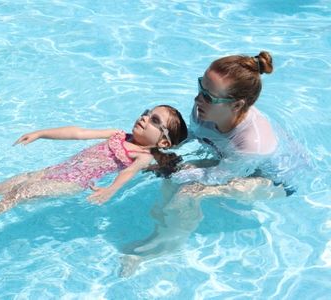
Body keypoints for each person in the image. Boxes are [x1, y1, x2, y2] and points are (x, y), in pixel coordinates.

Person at [120, 51, 298, 276]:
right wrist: (153, 150)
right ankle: (162, 226)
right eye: (200, 88)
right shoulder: (203, 110)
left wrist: (179, 174)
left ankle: (166, 245)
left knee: (189, 192)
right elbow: (192, 137)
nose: (197, 99)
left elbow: (219, 177)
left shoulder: (252, 144)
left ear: (236, 106)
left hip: (275, 182)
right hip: (231, 162)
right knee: (172, 173)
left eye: (209, 97)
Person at [0, 105, 188, 233]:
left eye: (154, 120)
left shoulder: (142, 157)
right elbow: (78, 133)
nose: (144, 118)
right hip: (55, 170)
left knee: (16, 196)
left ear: (164, 142)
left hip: (68, 183)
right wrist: (42, 133)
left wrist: (110, 190)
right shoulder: (118, 134)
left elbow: (126, 174)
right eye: (146, 113)